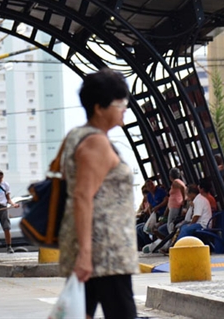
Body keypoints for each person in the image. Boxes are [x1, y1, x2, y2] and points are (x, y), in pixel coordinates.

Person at [58, 68, 138, 319]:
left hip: (94, 250)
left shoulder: (77, 135)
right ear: (99, 108)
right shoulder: (96, 143)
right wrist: (85, 255)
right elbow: (82, 196)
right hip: (105, 254)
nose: (125, 107)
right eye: (119, 102)